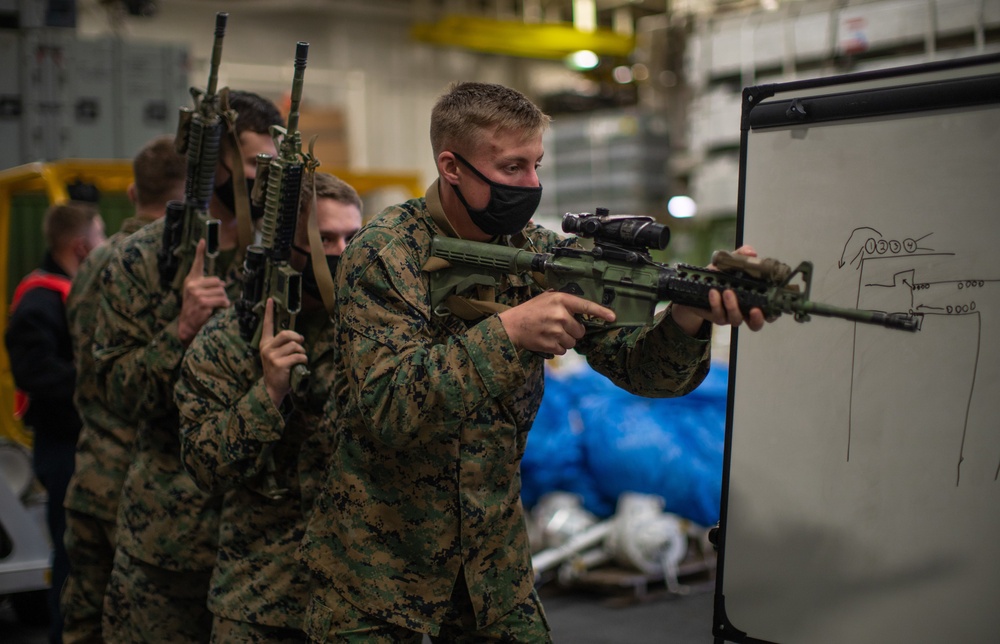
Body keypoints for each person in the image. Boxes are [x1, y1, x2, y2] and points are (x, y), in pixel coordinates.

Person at [297, 81, 767, 642]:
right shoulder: (384, 252)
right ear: (452, 166)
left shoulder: (541, 253)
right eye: (512, 167)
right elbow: (389, 406)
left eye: (536, 165)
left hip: (493, 569)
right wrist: (510, 333)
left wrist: (688, 315)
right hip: (376, 570)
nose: (531, 185)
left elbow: (641, 369)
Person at [92, 90, 283, 643]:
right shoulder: (144, 257)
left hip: (267, 553)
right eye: (252, 170)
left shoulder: (289, 256)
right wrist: (179, 332)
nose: (262, 184)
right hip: (172, 538)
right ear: (213, 165)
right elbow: (114, 393)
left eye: (272, 171)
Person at [175, 172, 362, 643]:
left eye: (352, 238)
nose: (340, 253)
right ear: (286, 247)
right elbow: (204, 467)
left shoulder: (373, 328)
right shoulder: (230, 337)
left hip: (360, 599)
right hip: (261, 597)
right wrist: (268, 395)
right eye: (323, 240)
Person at [60, 134, 187, 644]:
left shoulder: (93, 261)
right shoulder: (171, 265)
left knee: (84, 624)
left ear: (133, 193)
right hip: (146, 493)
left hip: (91, 471)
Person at [6, 200, 106, 644]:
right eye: (101, 236)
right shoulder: (41, 301)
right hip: (62, 447)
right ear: (82, 247)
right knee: (73, 558)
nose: (106, 245)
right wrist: (97, 378)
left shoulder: (68, 291)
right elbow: (35, 373)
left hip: (79, 445)